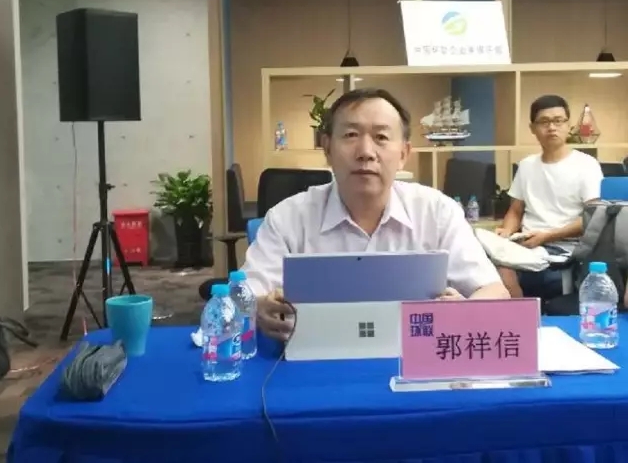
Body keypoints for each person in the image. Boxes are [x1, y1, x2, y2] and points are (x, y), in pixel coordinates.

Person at [242, 88, 509, 341]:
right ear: (327, 148)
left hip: (417, 360)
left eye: (381, 137)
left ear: (403, 153)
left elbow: (495, 291)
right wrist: (259, 307)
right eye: (350, 135)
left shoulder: (438, 212)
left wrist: (465, 311)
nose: (366, 153)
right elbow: (242, 296)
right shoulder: (288, 217)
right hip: (313, 361)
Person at [496, 94, 603, 299]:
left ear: (568, 125)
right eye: (544, 122)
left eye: (558, 121)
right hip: (527, 244)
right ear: (533, 128)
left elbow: (593, 217)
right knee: (481, 257)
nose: (552, 127)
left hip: (564, 247)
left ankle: (520, 309)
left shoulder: (586, 165)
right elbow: (515, 211)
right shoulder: (527, 165)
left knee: (506, 271)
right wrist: (507, 231)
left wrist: (547, 236)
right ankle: (518, 309)